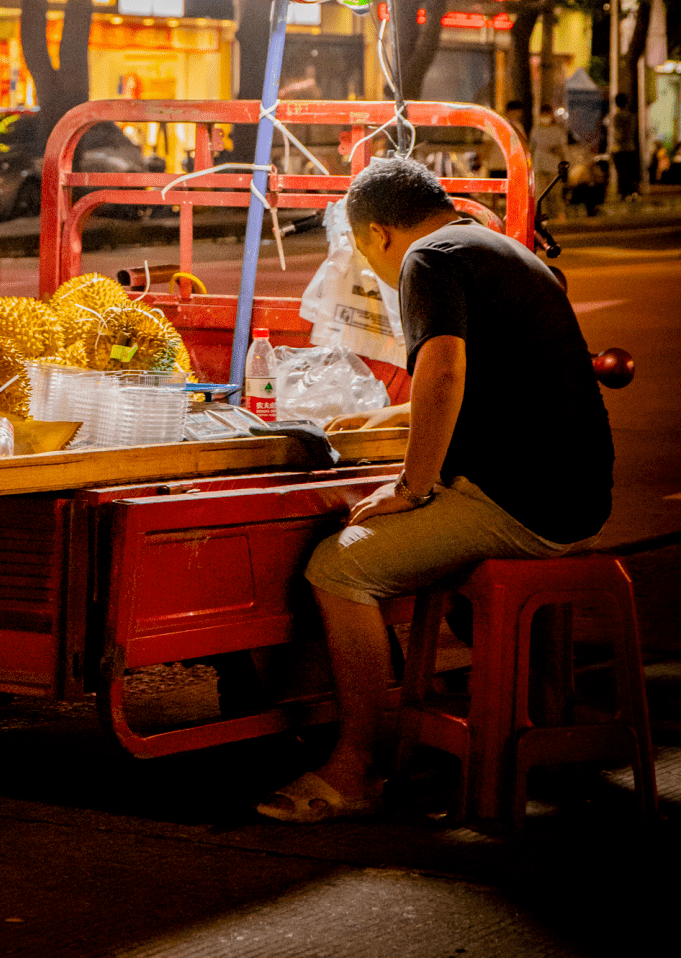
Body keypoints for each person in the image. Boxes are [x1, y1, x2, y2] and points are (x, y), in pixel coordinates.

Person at [256, 158, 613, 824]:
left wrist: (411, 485)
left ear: (382, 234)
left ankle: (355, 767)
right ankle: (540, 735)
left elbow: (444, 370)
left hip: (524, 501)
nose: (376, 271)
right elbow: (477, 383)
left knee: (338, 567)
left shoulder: (427, 259)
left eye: (366, 255)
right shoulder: (493, 246)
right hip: (577, 492)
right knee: (452, 597)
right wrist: (382, 420)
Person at [530, 104, 567, 219]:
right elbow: (531, 148)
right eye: (543, 114)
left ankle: (559, 215)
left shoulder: (558, 130)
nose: (545, 117)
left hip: (553, 165)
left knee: (555, 193)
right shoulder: (536, 130)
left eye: (547, 114)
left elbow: (563, 148)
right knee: (541, 194)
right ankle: (542, 216)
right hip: (539, 165)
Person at [612, 94, 640, 200]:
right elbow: (632, 132)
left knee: (622, 173)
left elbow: (617, 134)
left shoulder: (616, 117)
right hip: (630, 147)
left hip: (618, 148)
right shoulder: (632, 116)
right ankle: (633, 192)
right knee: (630, 172)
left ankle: (625, 193)